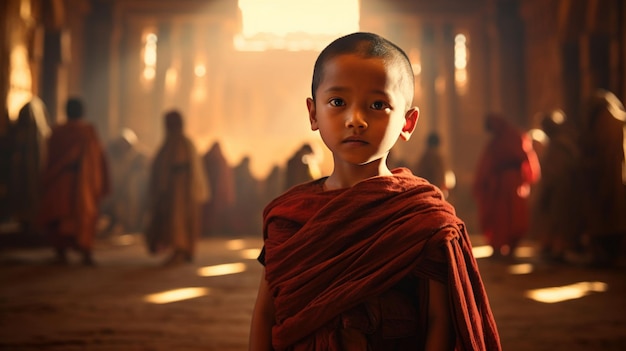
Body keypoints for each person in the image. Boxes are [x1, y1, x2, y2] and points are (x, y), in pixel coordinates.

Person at [249, 32, 501, 351]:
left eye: (378, 104)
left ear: (407, 123)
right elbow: (265, 315)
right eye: (338, 102)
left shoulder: (424, 218)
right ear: (314, 113)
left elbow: (441, 322)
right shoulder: (287, 216)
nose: (356, 120)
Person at [37, 97, 109, 266]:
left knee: (61, 215)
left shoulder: (57, 132)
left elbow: (49, 159)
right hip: (82, 182)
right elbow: (98, 159)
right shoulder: (88, 132)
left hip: (60, 182)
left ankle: (62, 252)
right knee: (82, 214)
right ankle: (85, 252)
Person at [144, 110, 209, 266]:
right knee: (178, 222)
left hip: (180, 191)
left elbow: (174, 167)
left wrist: (164, 186)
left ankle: (181, 250)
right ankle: (182, 250)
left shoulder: (180, 143)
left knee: (178, 222)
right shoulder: (178, 143)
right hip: (178, 191)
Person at [472, 113, 541, 259]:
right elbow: (487, 164)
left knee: (513, 214)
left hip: (513, 183)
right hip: (500, 184)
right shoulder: (497, 142)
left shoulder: (515, 138)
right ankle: (498, 246)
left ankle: (511, 245)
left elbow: (526, 158)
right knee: (500, 215)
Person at [579, 90, 626, 267]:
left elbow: (605, 153)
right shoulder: (616, 120)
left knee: (608, 218)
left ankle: (608, 257)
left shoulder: (606, 121)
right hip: (613, 177)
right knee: (613, 218)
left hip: (609, 176)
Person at [529, 110, 583, 263]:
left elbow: (557, 169)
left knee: (559, 222)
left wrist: (548, 187)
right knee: (553, 221)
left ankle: (558, 250)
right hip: (558, 189)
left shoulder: (560, 145)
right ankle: (552, 248)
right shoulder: (559, 143)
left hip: (561, 190)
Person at [100, 128, 149, 236]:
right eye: (121, 144)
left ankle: (133, 226)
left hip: (128, 191)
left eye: (126, 145)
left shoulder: (138, 156)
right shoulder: (110, 154)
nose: (123, 147)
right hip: (113, 189)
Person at [201, 141, 236, 236]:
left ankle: (213, 231)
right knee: (210, 215)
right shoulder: (214, 159)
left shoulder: (216, 159)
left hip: (217, 193)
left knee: (215, 215)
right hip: (211, 192)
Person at [414, 131, 455, 198]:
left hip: (423, 193)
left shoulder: (423, 158)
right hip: (436, 193)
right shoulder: (439, 159)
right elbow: (444, 178)